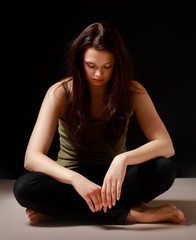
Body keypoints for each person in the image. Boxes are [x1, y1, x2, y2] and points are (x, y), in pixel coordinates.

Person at [13, 22, 186, 225]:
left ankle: (61, 211)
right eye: (91, 66)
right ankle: (132, 214)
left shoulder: (132, 91)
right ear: (80, 62)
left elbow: (166, 145)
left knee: (164, 169)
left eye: (107, 66)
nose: (98, 74)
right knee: (24, 187)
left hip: (115, 180)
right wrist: (75, 179)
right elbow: (31, 157)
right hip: (71, 180)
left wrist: (122, 160)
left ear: (117, 64)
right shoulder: (60, 92)